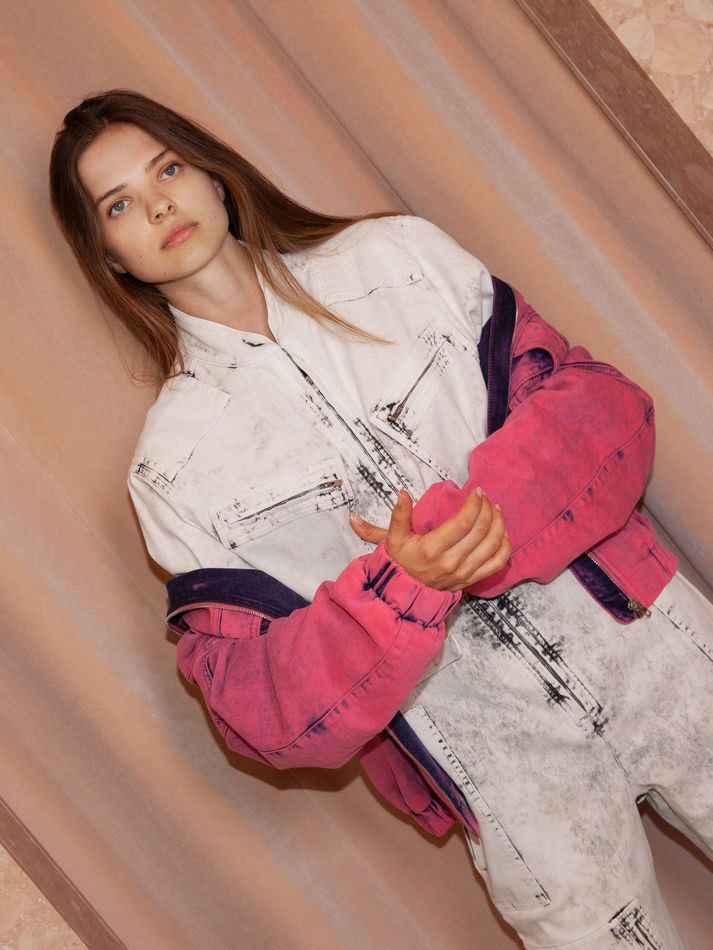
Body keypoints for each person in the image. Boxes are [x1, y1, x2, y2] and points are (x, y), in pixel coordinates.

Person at [50, 89, 713, 949]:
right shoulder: (171, 472)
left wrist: (470, 527)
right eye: (119, 205)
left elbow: (594, 405)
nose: (158, 205)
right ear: (109, 256)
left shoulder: (396, 260)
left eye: (168, 169)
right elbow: (257, 709)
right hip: (504, 772)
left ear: (213, 174)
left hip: (660, 658)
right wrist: (403, 590)